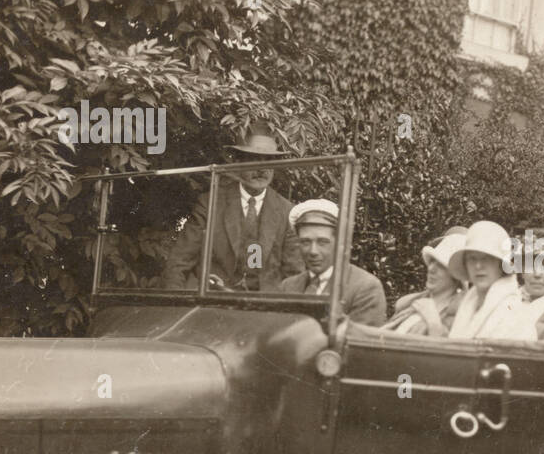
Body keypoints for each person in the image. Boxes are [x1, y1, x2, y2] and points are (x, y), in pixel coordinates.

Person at [162, 123, 302, 290]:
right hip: (215, 302)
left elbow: (296, 275)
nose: (261, 169)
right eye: (253, 160)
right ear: (238, 163)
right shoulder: (211, 203)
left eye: (268, 161)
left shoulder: (287, 211)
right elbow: (178, 263)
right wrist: (178, 304)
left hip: (264, 308)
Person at [279, 200, 387, 325]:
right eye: (306, 242)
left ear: (339, 242)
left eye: (322, 242)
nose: (313, 251)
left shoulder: (365, 288)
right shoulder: (288, 287)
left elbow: (360, 341)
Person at [447, 220, 533, 340]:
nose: (478, 266)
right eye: (472, 259)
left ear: (501, 265)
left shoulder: (513, 310)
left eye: (486, 259)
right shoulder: (468, 304)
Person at [382, 230, 467, 337]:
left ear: (456, 276)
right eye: (432, 261)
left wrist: (433, 322)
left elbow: (452, 349)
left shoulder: (461, 312)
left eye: (441, 265)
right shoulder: (408, 303)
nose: (431, 269)